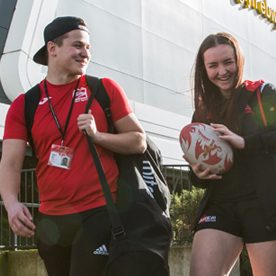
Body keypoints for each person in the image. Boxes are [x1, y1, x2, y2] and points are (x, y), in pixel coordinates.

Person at [0, 16, 146, 276]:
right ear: (52, 49)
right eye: (78, 46)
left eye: (88, 48)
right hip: (51, 219)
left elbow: (138, 141)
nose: (85, 53)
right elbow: (11, 161)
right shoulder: (26, 103)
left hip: (99, 211)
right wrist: (11, 202)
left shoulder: (103, 89)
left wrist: (98, 136)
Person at [186, 32, 276, 276]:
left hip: (264, 206)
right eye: (213, 65)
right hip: (221, 205)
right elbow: (198, 176)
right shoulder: (204, 111)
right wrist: (198, 172)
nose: (222, 71)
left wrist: (245, 143)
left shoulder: (262, 93)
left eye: (228, 62)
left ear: (238, 60)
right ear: (204, 70)